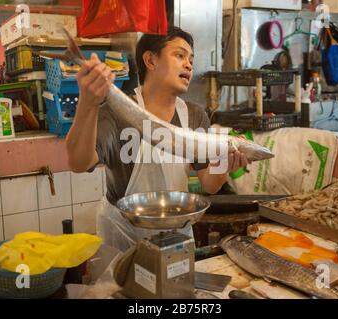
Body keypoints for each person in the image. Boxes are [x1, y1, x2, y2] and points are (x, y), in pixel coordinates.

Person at [66, 27, 249, 251]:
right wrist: (88, 102)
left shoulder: (194, 115)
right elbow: (78, 162)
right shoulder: (117, 112)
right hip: (123, 234)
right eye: (180, 55)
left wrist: (225, 164)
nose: (189, 65)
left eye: (191, 59)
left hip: (176, 233)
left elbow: (209, 185)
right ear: (150, 61)